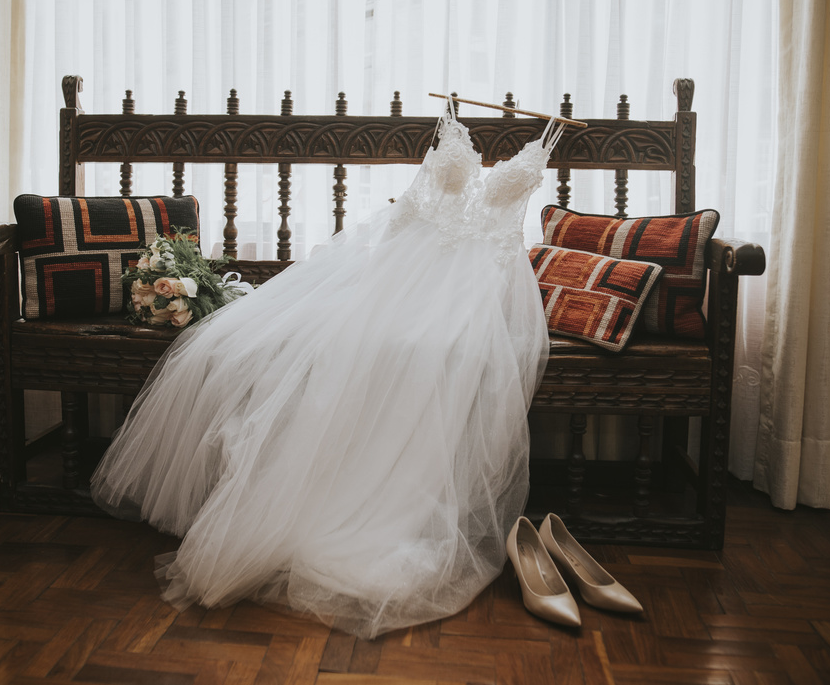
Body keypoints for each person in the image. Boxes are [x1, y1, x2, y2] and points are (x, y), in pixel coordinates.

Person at [91, 99, 567, 639]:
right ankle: (313, 506)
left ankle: (373, 505)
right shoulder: (447, 122)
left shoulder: (548, 142)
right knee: (320, 349)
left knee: (437, 357)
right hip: (395, 282)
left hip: (474, 295)